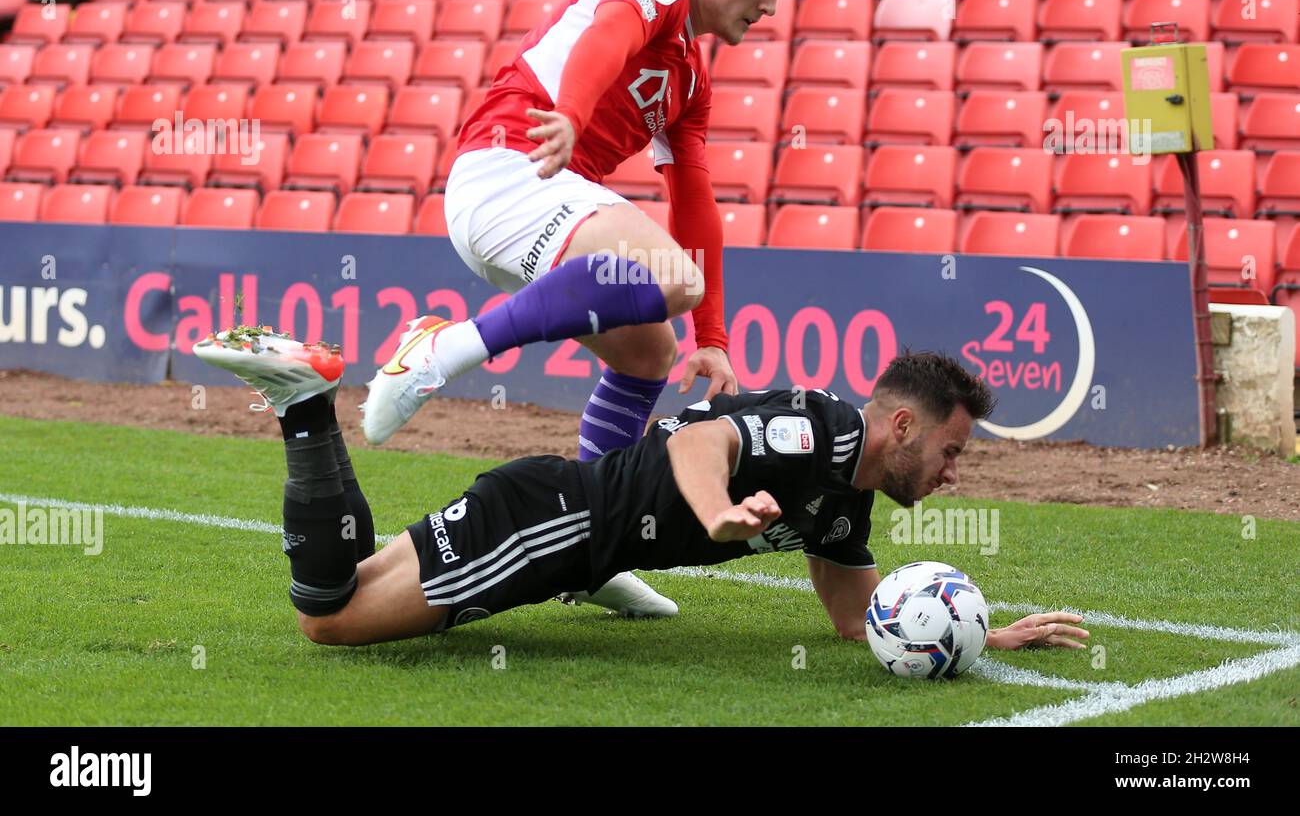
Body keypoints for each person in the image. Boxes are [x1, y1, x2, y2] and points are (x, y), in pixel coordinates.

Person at [360, 0, 810, 618]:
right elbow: (606, 38)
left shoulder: (691, 79)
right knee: (671, 276)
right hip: (512, 165)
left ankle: (592, 549)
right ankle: (441, 349)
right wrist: (569, 113)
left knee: (648, 352)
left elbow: (693, 198)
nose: (768, 4)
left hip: (537, 203)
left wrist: (712, 340)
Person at [197, 329, 1090, 655]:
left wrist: (981, 637)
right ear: (903, 427)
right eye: (950, 450)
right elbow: (705, 437)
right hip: (555, 532)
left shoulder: (847, 500)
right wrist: (717, 513)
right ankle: (308, 405)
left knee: (337, 585)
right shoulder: (822, 433)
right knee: (329, 623)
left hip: (542, 512)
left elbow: (860, 623)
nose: (952, 473)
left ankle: (306, 398)